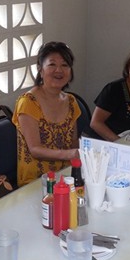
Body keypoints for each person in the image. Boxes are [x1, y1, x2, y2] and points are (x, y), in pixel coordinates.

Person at [13, 41, 81, 187]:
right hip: (35, 182)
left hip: (66, 177)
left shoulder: (71, 101)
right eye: (52, 64)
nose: (59, 70)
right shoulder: (28, 102)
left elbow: (73, 143)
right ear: (40, 69)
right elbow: (35, 150)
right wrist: (69, 154)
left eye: (65, 65)